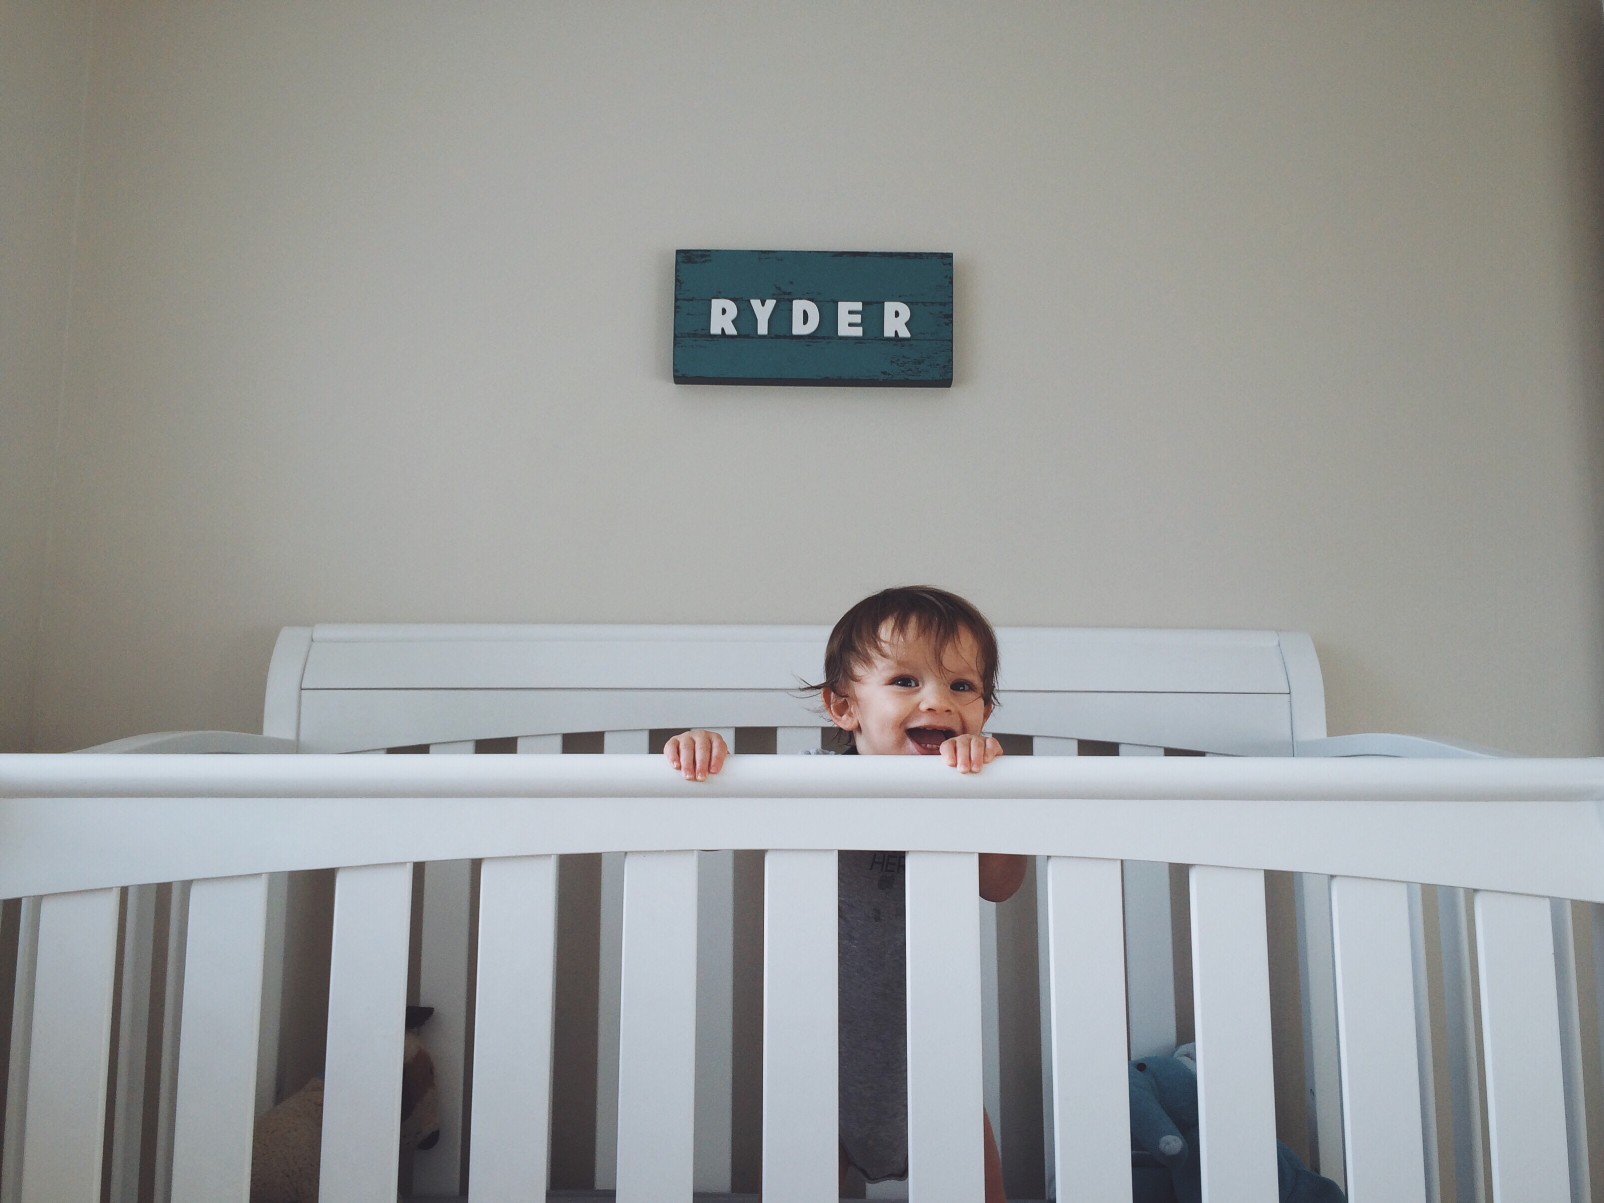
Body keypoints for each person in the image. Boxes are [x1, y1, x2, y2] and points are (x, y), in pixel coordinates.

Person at [664, 586, 1026, 1203]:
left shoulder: (973, 792)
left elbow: (999, 885)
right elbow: (697, 829)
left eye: (961, 687)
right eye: (906, 681)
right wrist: (704, 758)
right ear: (844, 708)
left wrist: (988, 799)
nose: (937, 699)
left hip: (939, 1061)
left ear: (985, 712)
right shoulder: (804, 785)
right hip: (817, 1061)